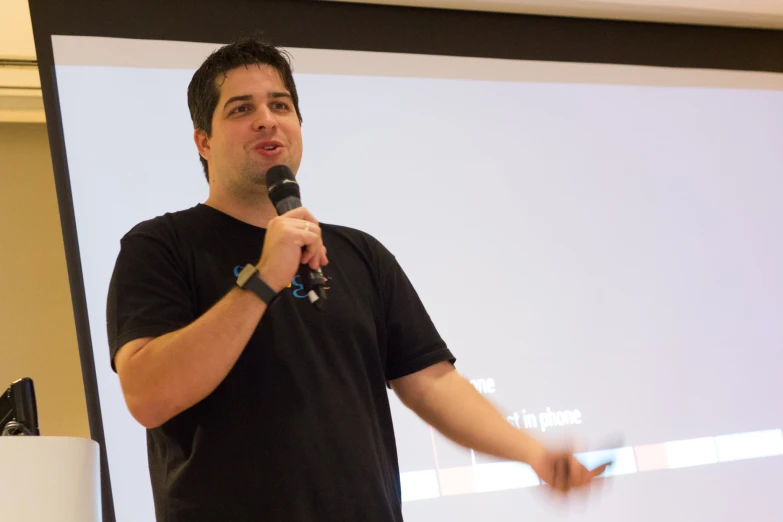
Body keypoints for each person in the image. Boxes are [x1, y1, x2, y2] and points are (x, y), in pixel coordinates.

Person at [106, 36, 607, 522]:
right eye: (241, 109)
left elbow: (431, 382)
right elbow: (148, 395)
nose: (266, 120)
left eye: (280, 105)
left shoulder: (358, 253)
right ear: (204, 141)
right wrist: (262, 281)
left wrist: (533, 454)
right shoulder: (161, 246)